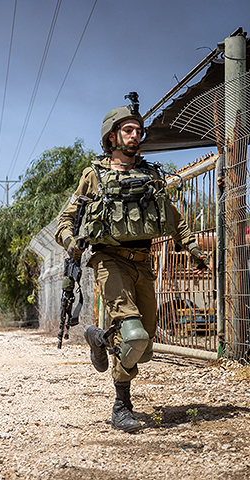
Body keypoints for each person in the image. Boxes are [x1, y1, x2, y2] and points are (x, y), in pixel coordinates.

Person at [55, 97, 210, 433]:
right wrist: (72, 245)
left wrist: (196, 252)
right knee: (135, 335)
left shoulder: (151, 175)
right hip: (108, 261)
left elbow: (174, 219)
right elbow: (66, 221)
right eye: (128, 130)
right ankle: (122, 405)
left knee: (144, 347)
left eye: (138, 130)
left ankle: (99, 338)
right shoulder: (93, 175)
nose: (134, 135)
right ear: (112, 137)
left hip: (143, 262)